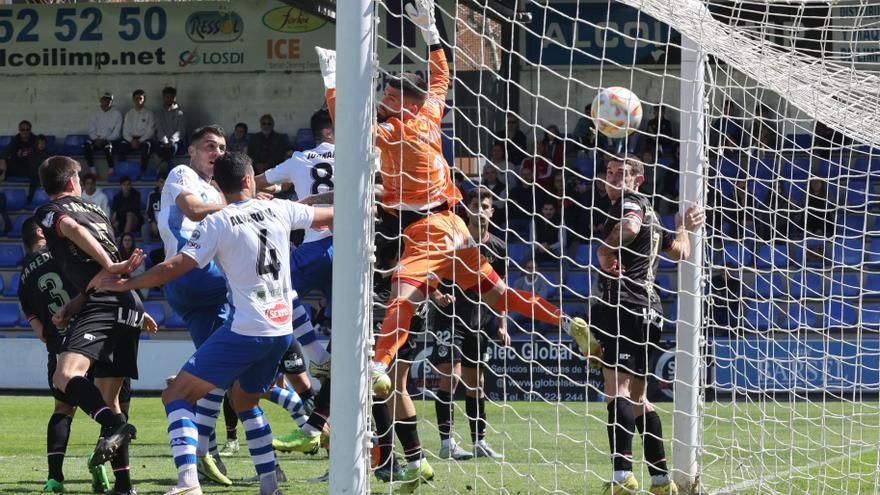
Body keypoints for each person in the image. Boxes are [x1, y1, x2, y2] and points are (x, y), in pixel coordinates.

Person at [316, 1, 588, 489]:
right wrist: (431, 30)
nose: (381, 95)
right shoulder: (427, 117)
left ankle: (379, 363)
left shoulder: (392, 130)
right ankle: (564, 320)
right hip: (456, 228)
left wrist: (334, 78)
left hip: (429, 231)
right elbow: (441, 76)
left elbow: (345, 127)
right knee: (497, 293)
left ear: (400, 99)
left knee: (403, 293)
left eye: (388, 90)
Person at [92, 151, 333, 495]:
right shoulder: (281, 209)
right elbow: (329, 214)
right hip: (281, 330)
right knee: (245, 402)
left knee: (175, 394)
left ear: (218, 187)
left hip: (246, 329)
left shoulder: (217, 222)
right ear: (251, 179)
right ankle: (270, 486)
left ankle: (188, 482)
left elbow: (174, 267)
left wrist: (125, 283)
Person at [583, 154, 704, 495]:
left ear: (638, 180)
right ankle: (661, 479)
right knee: (640, 399)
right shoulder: (652, 210)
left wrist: (605, 251)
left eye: (622, 174)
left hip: (622, 306)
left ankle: (622, 476)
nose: (613, 178)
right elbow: (681, 250)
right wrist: (684, 226)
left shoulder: (630, 205)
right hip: (651, 312)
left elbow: (631, 227)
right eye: (608, 172)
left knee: (616, 392)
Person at [33, 155, 147, 495]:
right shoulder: (98, 212)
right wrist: (74, 303)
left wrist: (111, 265)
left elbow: (72, 228)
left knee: (65, 376)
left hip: (106, 302)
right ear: (72, 183)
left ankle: (115, 426)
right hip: (128, 306)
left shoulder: (48, 212)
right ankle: (124, 486)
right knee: (110, 400)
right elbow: (100, 270)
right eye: (79, 180)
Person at [253, 109, 337, 454]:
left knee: (273, 287)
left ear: (316, 132)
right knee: (349, 342)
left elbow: (257, 182)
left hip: (315, 248)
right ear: (333, 130)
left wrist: (269, 195)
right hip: (353, 253)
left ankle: (314, 352)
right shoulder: (356, 152)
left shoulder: (300, 159)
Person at [156, 125, 232, 485]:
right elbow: (193, 209)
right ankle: (311, 411)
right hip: (192, 272)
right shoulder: (182, 173)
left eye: (221, 148)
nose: (216, 153)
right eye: (209, 147)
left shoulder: (218, 187)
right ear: (191, 150)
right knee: (272, 292)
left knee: (215, 371)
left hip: (197, 288)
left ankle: (203, 449)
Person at [429, 187, 509, 461]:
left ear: (491, 211)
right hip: (449, 317)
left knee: (477, 383)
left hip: (480, 321)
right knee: (450, 378)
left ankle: (479, 442)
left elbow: (502, 290)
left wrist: (502, 325)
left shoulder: (498, 247)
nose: (480, 210)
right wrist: (437, 294)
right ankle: (446, 442)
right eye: (475, 205)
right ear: (467, 209)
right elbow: (430, 270)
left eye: (485, 206)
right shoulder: (454, 241)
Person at [84, 92, 123, 178]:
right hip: (96, 139)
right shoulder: (94, 113)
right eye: (104, 99)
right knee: (86, 146)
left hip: (109, 140)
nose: (106, 102)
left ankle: (111, 170)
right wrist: (96, 139)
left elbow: (116, 133)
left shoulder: (117, 114)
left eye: (109, 100)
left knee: (108, 148)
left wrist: (104, 139)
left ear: (112, 101)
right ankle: (93, 171)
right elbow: (91, 130)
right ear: (101, 100)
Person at [119, 89, 155, 174]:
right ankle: (122, 171)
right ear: (133, 100)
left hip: (144, 139)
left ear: (144, 100)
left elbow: (150, 131)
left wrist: (140, 141)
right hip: (130, 140)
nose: (138, 101)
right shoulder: (129, 114)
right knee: (121, 146)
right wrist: (131, 141)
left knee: (148, 146)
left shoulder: (149, 114)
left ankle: (143, 171)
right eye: (136, 99)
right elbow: (125, 131)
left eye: (140, 98)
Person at [154, 86, 186, 170]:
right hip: (162, 141)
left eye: (171, 97)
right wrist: (165, 141)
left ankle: (162, 167)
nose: (169, 99)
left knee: (172, 149)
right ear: (163, 98)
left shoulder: (180, 113)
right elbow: (159, 129)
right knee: (156, 147)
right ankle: (166, 166)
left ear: (174, 98)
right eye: (166, 97)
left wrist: (171, 141)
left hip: (175, 142)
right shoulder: (158, 113)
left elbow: (180, 131)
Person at [28, 134, 53, 202]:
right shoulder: (33, 153)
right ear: (37, 144)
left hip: (45, 173)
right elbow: (32, 165)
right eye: (40, 143)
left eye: (43, 143)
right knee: (33, 179)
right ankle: (31, 198)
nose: (41, 145)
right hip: (35, 174)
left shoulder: (49, 153)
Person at [145, 172, 166, 241]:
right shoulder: (152, 195)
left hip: (167, 224)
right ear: (157, 183)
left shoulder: (172, 195)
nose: (163, 184)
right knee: (144, 228)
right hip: (154, 223)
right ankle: (147, 248)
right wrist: (152, 222)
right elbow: (149, 212)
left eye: (165, 182)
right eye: (161, 182)